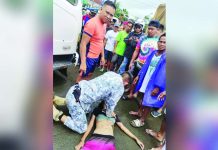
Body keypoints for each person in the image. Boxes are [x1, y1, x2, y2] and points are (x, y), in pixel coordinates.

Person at [53, 71, 133, 134]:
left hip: (75, 89)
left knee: (88, 108)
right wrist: (109, 115)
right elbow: (110, 105)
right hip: (76, 101)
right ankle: (56, 114)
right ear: (126, 83)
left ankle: (60, 100)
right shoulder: (120, 87)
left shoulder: (111, 73)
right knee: (82, 128)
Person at [129, 33, 166, 127]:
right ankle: (139, 112)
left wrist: (158, 87)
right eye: (160, 41)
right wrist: (139, 76)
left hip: (155, 83)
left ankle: (142, 120)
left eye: (164, 42)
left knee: (148, 102)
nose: (161, 44)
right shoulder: (154, 52)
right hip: (146, 78)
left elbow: (164, 74)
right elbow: (145, 65)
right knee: (142, 96)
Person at [75, 101, 144, 150]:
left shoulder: (114, 114)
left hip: (109, 141)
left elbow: (123, 128)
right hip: (96, 138)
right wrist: (82, 140)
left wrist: (136, 139)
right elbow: (90, 125)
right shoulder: (97, 110)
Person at [76, 1, 116, 83]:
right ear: (101, 9)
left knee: (89, 76)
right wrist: (83, 63)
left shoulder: (104, 24)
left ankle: (83, 93)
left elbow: (101, 41)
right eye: (107, 12)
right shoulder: (92, 23)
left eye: (111, 15)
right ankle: (74, 94)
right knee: (81, 78)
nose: (109, 16)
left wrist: (102, 56)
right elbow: (83, 44)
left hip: (96, 57)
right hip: (88, 57)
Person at [127, 20, 160, 99]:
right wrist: (131, 61)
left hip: (149, 67)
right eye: (149, 28)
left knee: (143, 81)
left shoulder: (159, 41)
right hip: (138, 63)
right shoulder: (142, 38)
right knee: (134, 78)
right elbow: (136, 50)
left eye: (152, 29)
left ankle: (137, 95)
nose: (149, 30)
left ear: (157, 30)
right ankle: (130, 93)